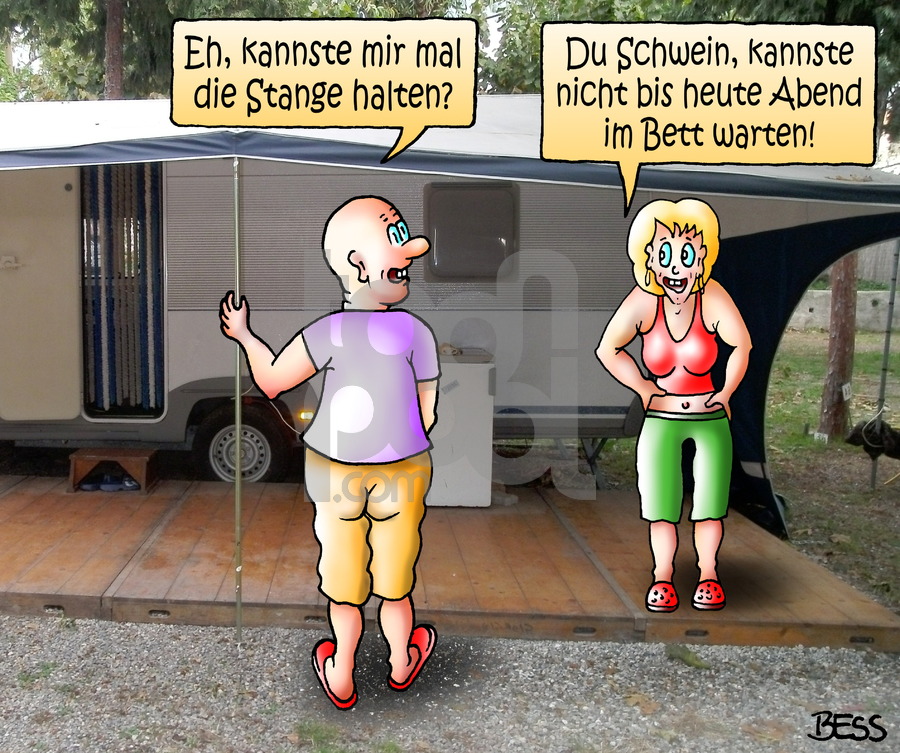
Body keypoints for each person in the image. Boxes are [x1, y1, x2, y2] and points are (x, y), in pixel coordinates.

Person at [219, 196, 439, 709]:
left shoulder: (328, 332)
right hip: (403, 467)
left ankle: (341, 671)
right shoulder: (415, 332)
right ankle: (401, 661)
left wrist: (245, 336)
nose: (408, 260)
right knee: (396, 577)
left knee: (343, 578)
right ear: (359, 264)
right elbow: (427, 406)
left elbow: (272, 381)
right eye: (399, 251)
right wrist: (403, 435)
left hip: (334, 466)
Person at [596, 198, 751, 612]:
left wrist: (726, 392)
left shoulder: (712, 296)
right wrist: (644, 388)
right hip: (660, 418)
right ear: (648, 257)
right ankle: (662, 577)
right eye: (664, 255)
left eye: (686, 255)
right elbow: (608, 349)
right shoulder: (644, 300)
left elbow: (741, 345)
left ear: (703, 258)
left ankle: (708, 574)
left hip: (709, 416)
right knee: (660, 505)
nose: (676, 269)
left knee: (709, 505)